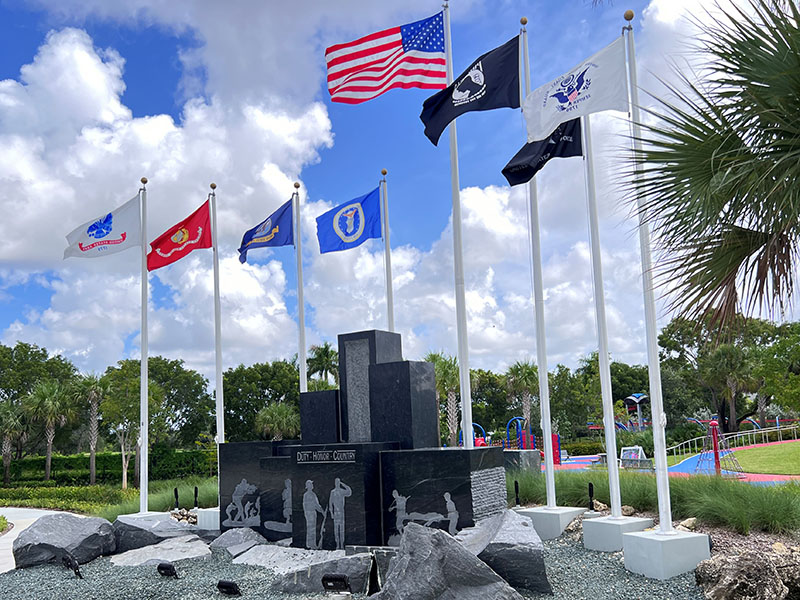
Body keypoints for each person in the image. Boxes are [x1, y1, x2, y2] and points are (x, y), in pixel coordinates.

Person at [328, 478, 352, 550]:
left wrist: (343, 484)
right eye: (336, 482)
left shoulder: (342, 491)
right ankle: (337, 545)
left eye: (338, 482)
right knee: (336, 530)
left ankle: (342, 545)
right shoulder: (332, 492)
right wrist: (331, 513)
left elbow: (349, 492)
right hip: (335, 512)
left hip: (341, 512)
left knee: (342, 530)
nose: (337, 483)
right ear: (335, 483)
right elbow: (330, 503)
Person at [302, 480, 325, 549]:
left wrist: (322, 511)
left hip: (313, 513)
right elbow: (304, 505)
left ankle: (312, 544)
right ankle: (309, 544)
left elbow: (317, 505)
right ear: (308, 486)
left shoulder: (313, 494)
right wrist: (306, 513)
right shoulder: (306, 495)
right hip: (309, 513)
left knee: (313, 529)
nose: (312, 486)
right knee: (310, 528)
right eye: (311, 484)